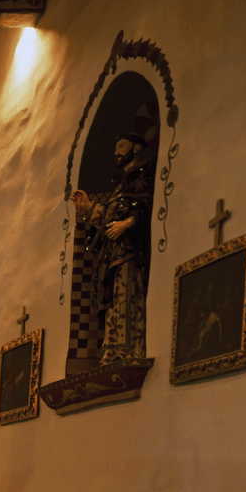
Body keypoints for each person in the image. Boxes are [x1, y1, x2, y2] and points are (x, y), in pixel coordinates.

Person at [71, 133, 155, 364]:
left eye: (121, 146)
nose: (116, 152)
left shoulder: (142, 175)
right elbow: (108, 220)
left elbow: (144, 207)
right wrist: (89, 208)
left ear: (136, 148)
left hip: (130, 252)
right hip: (111, 255)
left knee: (126, 298)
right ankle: (111, 348)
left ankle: (127, 349)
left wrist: (127, 223)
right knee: (111, 304)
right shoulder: (119, 185)